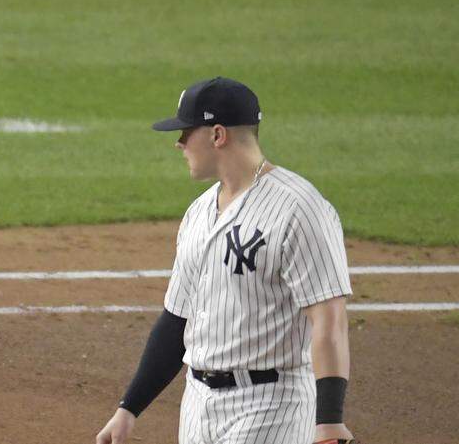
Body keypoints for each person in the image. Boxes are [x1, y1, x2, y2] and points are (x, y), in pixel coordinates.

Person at [94, 77, 355, 444]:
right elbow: (176, 321)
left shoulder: (299, 209)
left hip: (271, 406)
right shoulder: (199, 214)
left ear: (218, 135)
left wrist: (328, 421)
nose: (179, 143)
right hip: (198, 405)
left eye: (186, 132)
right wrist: (128, 409)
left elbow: (330, 319)